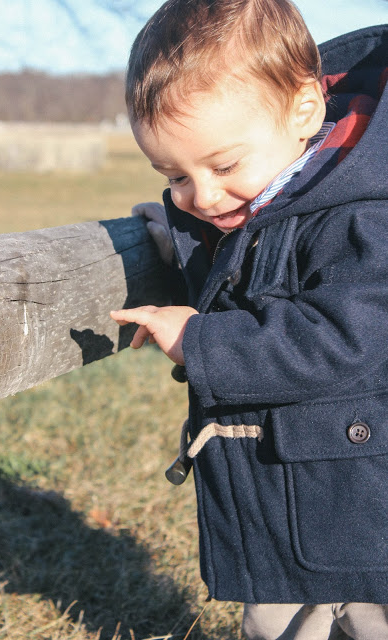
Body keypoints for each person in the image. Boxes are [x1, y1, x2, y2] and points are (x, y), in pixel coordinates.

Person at [110, 1, 388, 637]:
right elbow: (253, 273)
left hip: (363, 519)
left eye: (221, 166)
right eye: (175, 174)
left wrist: (199, 341)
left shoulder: (361, 216)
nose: (203, 196)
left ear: (304, 111)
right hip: (288, 509)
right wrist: (178, 234)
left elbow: (346, 339)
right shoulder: (272, 188)